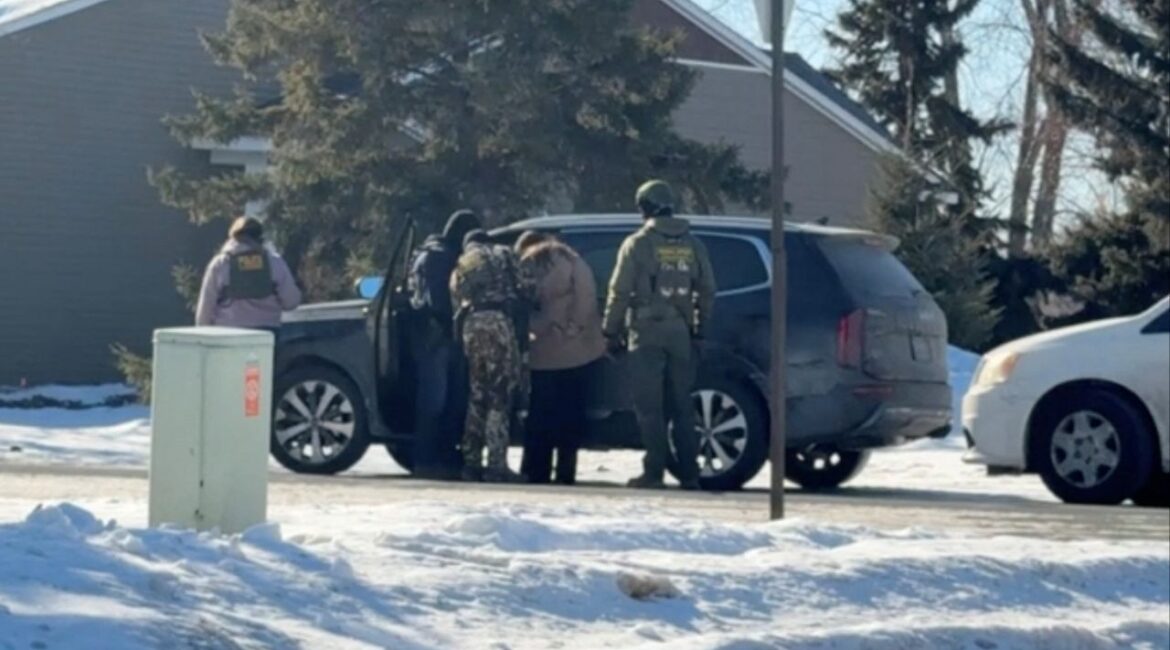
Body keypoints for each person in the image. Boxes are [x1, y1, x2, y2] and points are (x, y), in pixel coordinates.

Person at [602, 180, 716, 490]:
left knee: (650, 407)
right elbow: (707, 290)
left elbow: (619, 291)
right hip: (680, 332)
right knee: (682, 405)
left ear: (645, 207)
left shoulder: (637, 244)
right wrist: (699, 329)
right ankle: (690, 474)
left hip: (646, 331)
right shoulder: (693, 244)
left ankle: (654, 472)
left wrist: (610, 331)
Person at [516, 232, 606, 485]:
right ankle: (566, 472)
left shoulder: (529, 264)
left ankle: (536, 470)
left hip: (542, 352)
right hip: (579, 352)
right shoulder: (575, 261)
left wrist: (536, 328)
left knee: (539, 415)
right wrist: (574, 327)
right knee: (571, 414)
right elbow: (587, 297)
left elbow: (522, 303)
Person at [450, 229, 534, 483]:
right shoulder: (503, 253)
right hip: (498, 323)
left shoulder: (463, 261)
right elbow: (528, 286)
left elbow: (456, 293)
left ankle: (470, 463)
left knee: (477, 393)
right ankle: (497, 466)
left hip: (472, 325)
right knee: (499, 394)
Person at [406, 209, 482, 479]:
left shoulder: (428, 252)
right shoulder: (442, 257)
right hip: (438, 332)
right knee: (437, 400)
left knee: (439, 397)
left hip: (428, 331)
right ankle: (429, 459)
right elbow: (440, 298)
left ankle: (433, 457)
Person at [195, 216, 301, 329]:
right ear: (260, 237)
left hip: (228, 333)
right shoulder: (274, 262)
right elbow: (291, 302)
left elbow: (205, 310)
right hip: (266, 334)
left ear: (232, 237)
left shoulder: (220, 263)